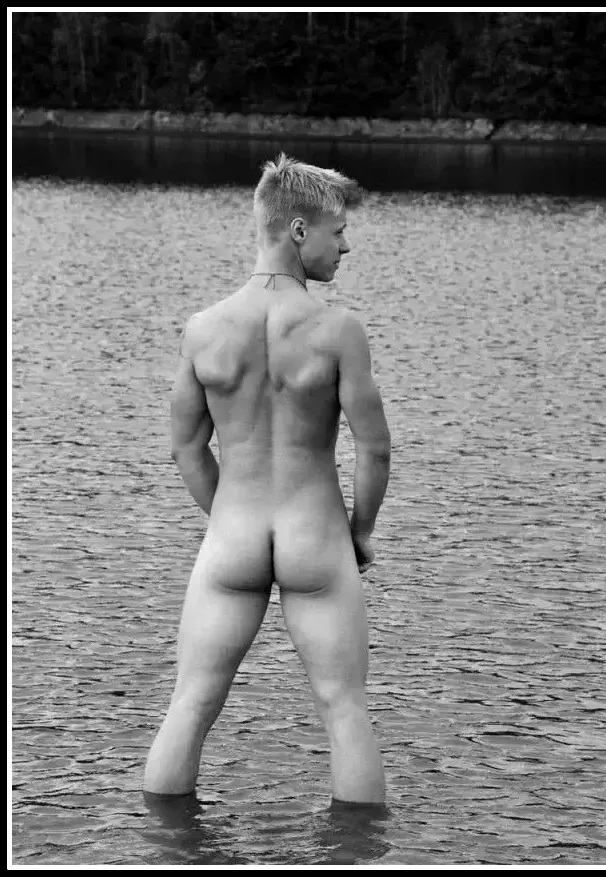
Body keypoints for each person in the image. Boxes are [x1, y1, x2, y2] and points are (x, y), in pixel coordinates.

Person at [143, 153, 391, 805]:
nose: (346, 246)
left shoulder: (204, 330)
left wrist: (226, 513)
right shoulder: (337, 330)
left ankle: (164, 841)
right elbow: (373, 449)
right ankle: (358, 847)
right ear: (299, 230)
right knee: (344, 706)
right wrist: (360, 531)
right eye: (338, 231)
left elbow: (187, 446)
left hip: (234, 537)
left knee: (191, 702)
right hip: (316, 536)